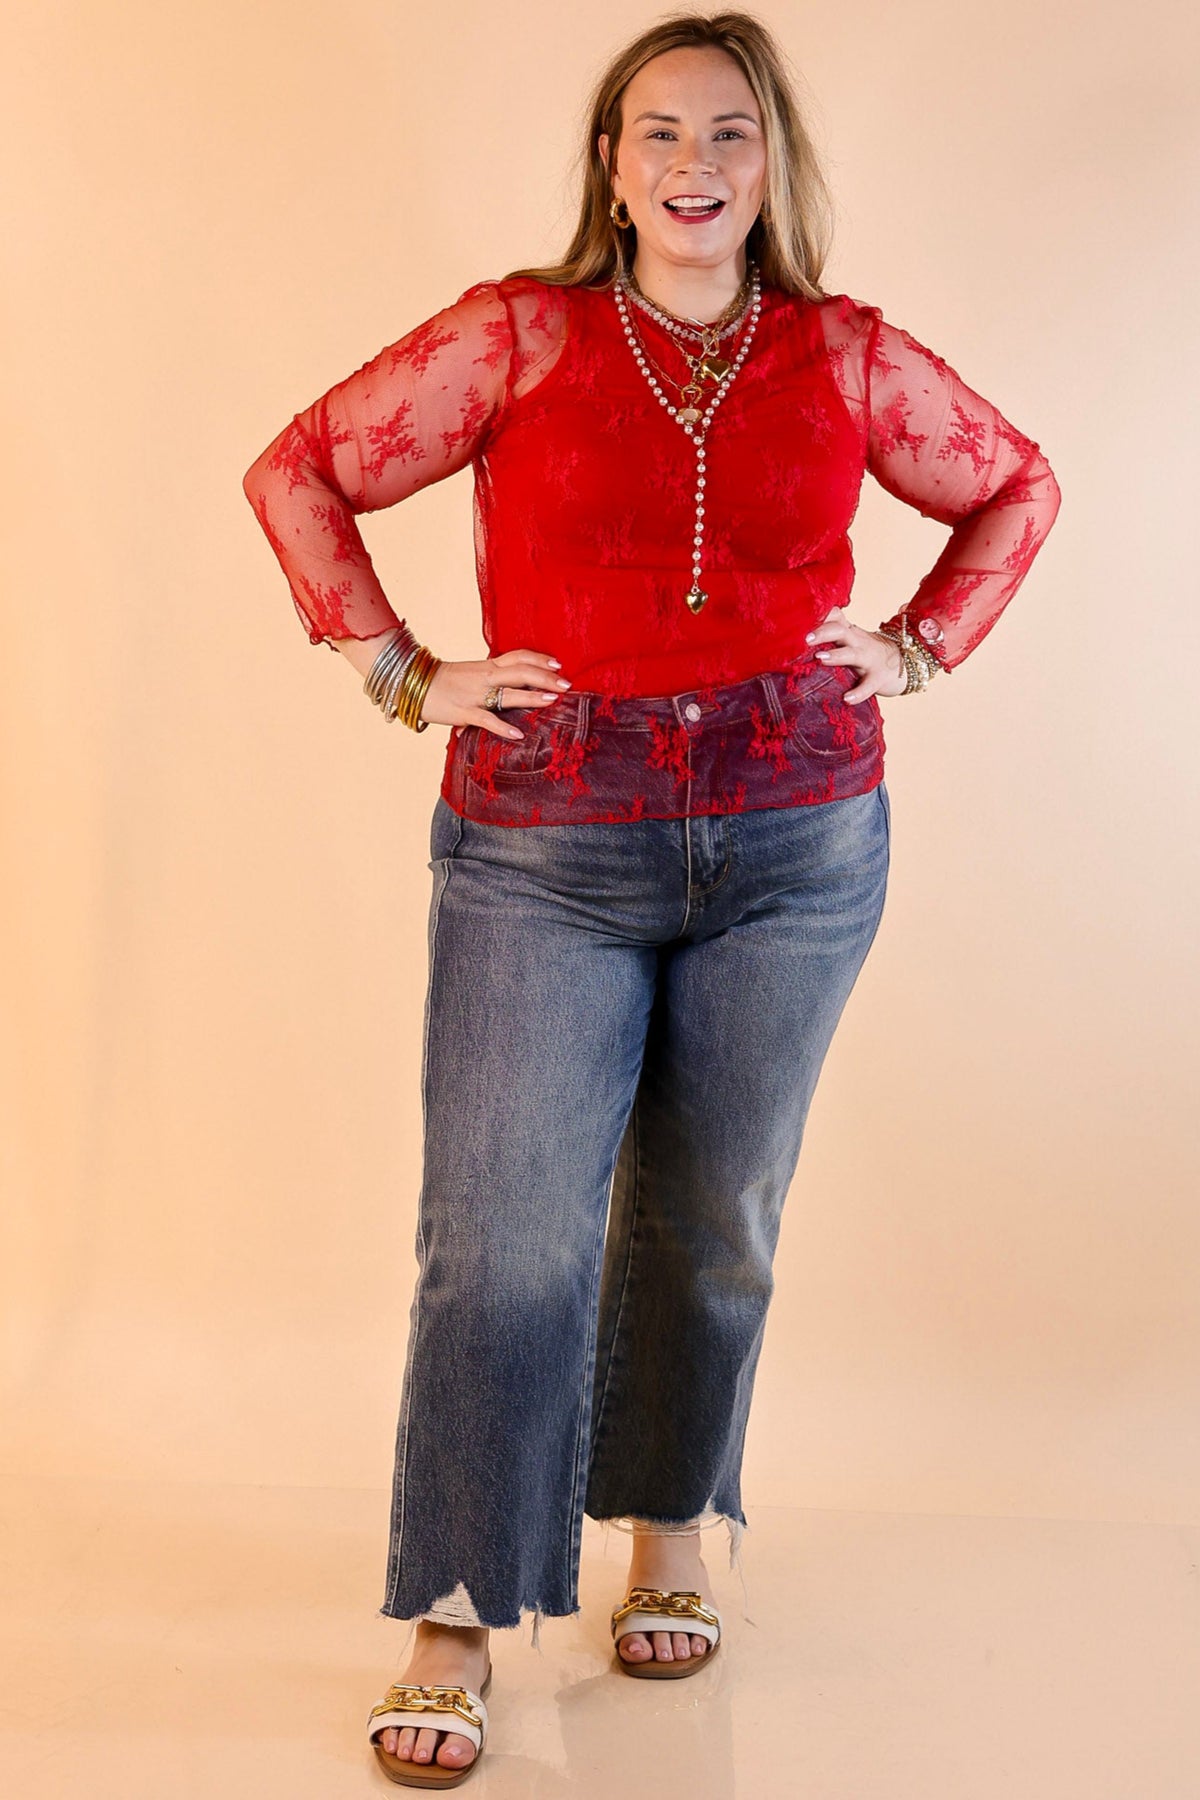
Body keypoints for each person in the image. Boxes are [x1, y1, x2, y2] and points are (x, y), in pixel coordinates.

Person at [242, 9, 1061, 1785]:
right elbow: (296, 469)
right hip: (548, 842)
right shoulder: (518, 334)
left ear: (772, 169)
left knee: (716, 1215)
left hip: (798, 839)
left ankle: (671, 1523)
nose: (695, 164)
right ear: (611, 167)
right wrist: (405, 675)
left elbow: (1016, 485)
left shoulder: (843, 353)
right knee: (503, 1237)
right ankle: (460, 1606)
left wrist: (919, 649)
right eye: (660, 133)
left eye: (729, 134)